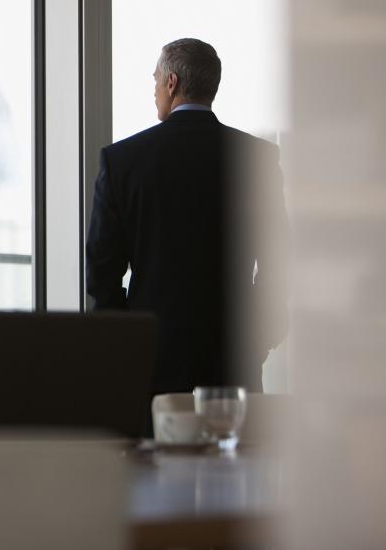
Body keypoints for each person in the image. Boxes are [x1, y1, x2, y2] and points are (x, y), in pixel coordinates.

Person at [86, 38, 288, 394]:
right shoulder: (257, 158)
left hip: (153, 358)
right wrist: (260, 337)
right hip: (233, 354)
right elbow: (279, 259)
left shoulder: (123, 162)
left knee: (152, 448)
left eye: (155, 80)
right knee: (234, 448)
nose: (153, 91)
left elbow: (102, 271)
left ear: (171, 83)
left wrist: (126, 342)